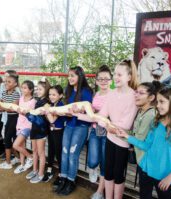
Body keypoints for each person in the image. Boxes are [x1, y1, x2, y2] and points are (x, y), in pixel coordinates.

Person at [74, 60, 138, 199]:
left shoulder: (133, 96)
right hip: (109, 138)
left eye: (119, 74)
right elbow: (99, 116)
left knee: (118, 175)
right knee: (108, 172)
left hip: (122, 143)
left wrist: (107, 124)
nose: (116, 77)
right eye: (115, 74)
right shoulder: (112, 94)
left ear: (129, 76)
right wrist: (76, 114)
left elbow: (125, 125)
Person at [117, 87, 171, 199]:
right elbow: (147, 146)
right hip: (146, 170)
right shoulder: (156, 123)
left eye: (162, 102)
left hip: (166, 177)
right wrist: (127, 137)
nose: (157, 105)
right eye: (157, 102)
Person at [55, 66, 93, 196]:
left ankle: (71, 181)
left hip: (81, 126)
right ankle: (63, 178)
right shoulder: (68, 90)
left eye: (72, 75)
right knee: (64, 152)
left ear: (80, 76)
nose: (69, 78)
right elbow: (65, 111)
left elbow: (88, 111)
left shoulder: (86, 91)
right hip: (69, 125)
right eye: (69, 75)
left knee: (72, 154)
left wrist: (78, 112)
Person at [77, 65, 112, 199]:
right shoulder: (95, 94)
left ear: (111, 80)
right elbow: (90, 112)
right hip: (94, 129)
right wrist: (81, 111)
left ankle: (99, 191)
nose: (103, 81)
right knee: (92, 161)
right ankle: (93, 168)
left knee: (104, 163)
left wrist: (95, 113)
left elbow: (108, 115)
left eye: (106, 79)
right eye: (100, 79)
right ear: (96, 80)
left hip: (107, 132)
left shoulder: (113, 95)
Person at [25, 78, 50, 183]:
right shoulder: (38, 100)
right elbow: (33, 116)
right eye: (37, 89)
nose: (37, 91)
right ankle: (35, 170)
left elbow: (39, 119)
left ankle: (40, 174)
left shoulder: (47, 103)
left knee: (41, 152)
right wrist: (28, 114)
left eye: (40, 89)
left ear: (46, 89)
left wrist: (27, 113)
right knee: (34, 150)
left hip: (41, 130)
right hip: (35, 128)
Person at [43, 85, 65, 187]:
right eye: (50, 94)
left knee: (58, 153)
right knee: (50, 151)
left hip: (58, 133)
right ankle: (49, 169)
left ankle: (61, 174)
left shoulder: (60, 105)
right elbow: (50, 121)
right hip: (51, 131)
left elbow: (52, 120)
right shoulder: (52, 105)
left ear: (60, 95)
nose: (51, 96)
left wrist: (47, 111)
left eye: (54, 94)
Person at [0, 74, 20, 169]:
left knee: (8, 139)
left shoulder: (16, 94)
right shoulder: (4, 93)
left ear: (15, 84)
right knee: (9, 139)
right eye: (5, 81)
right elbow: (1, 107)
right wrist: (1, 106)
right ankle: (17, 158)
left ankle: (8, 162)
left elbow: (12, 108)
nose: (6, 83)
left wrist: (2, 106)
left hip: (15, 118)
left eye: (9, 82)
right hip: (9, 119)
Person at [13, 80, 36, 174]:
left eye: (25, 88)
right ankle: (22, 165)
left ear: (31, 90)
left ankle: (30, 157)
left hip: (27, 126)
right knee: (21, 145)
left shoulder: (33, 101)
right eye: (22, 87)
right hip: (19, 124)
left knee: (15, 145)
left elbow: (30, 114)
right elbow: (17, 108)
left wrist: (22, 112)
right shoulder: (21, 98)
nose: (22, 89)